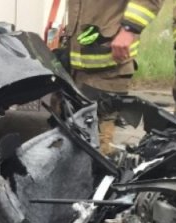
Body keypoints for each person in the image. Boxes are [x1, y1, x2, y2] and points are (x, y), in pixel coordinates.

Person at [66, 0, 163, 155]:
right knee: (72, 142)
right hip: (77, 67)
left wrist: (129, 29)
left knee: (97, 147)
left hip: (109, 67)